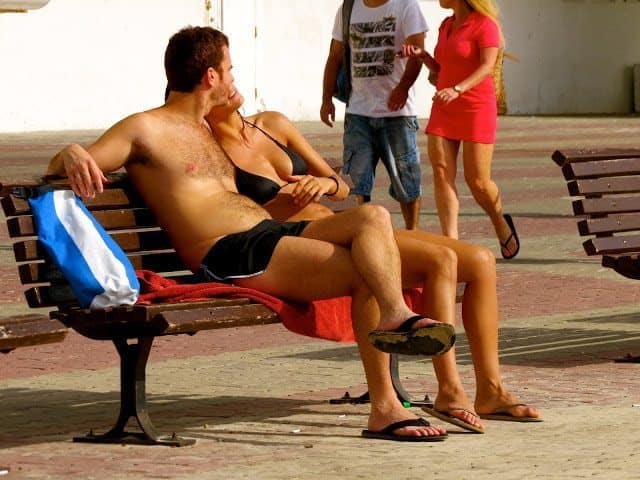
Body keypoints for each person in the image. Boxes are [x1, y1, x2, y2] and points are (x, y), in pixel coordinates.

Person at [46, 26, 457, 442]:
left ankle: (393, 315)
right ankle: (385, 405)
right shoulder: (145, 128)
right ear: (210, 76)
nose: (231, 76)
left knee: (372, 217)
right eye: (229, 68)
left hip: (265, 234)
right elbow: (64, 165)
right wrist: (69, 150)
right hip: (228, 252)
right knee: (363, 268)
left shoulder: (208, 129)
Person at [205, 88, 541, 430]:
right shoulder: (212, 150)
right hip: (304, 242)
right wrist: (278, 204)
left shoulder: (271, 124)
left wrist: (320, 184)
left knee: (482, 261)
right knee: (441, 260)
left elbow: (340, 184)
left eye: (231, 71)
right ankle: (450, 390)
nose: (230, 83)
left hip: (353, 230)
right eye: (221, 75)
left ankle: (490, 390)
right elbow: (238, 219)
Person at [400, 0, 520, 259]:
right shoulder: (446, 25)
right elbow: (443, 69)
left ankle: (500, 222)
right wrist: (422, 57)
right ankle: (451, 243)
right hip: (445, 106)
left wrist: (457, 90)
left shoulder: (485, 25)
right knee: (442, 173)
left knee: (478, 182)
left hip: (476, 107)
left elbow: (486, 66)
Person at [320, 0, 429, 230]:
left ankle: (412, 234)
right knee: (354, 185)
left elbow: (417, 52)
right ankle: (358, 237)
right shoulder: (348, 8)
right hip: (358, 114)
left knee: (407, 184)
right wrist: (326, 99)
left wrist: (403, 87)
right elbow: (335, 56)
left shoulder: (406, 6)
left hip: (398, 115)